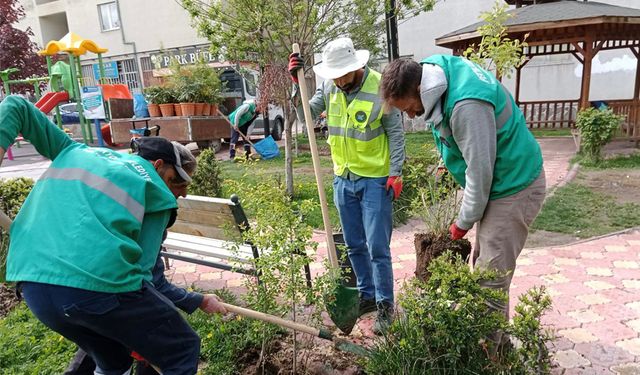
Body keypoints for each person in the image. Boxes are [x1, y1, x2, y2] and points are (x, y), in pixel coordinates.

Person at [0, 95, 227, 375]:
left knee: (113, 358)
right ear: (157, 166)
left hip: (33, 286)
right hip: (96, 289)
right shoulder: (154, 190)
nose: (180, 192)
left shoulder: (74, 151)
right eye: (176, 181)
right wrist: (189, 306)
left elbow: (16, 106)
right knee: (181, 347)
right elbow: (148, 281)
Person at [379, 56, 546, 347]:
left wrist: (462, 224)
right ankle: (496, 342)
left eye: (408, 108)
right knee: (484, 265)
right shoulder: (435, 72)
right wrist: (448, 161)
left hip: (514, 183)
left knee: (490, 277)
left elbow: (480, 174)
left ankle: (490, 355)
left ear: (420, 89)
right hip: (498, 181)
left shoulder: (467, 105)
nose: (409, 115)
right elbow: (456, 136)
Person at [288, 37, 406, 334]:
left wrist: (396, 173)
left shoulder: (381, 88)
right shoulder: (328, 86)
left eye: (342, 73)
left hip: (375, 180)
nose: (338, 80)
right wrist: (296, 84)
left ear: (357, 66)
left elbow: (396, 134)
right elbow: (304, 113)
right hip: (344, 178)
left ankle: (385, 305)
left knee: (378, 246)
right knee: (353, 245)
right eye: (334, 74)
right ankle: (365, 296)